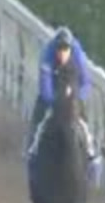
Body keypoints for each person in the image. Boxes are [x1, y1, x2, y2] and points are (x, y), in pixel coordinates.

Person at [25, 26, 100, 169]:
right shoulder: (47, 55)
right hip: (53, 94)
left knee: (83, 123)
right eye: (59, 50)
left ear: (71, 49)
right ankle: (32, 150)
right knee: (40, 120)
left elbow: (86, 83)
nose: (62, 54)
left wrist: (76, 97)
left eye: (65, 50)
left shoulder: (78, 55)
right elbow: (45, 87)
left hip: (73, 94)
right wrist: (56, 101)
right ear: (55, 48)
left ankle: (91, 154)